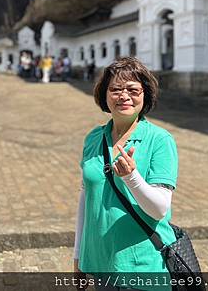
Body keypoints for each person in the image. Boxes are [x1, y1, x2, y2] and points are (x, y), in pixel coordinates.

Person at [74, 57, 178, 290]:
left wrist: (132, 178)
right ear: (105, 94)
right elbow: (85, 198)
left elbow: (160, 209)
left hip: (141, 264)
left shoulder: (159, 140)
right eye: (115, 89)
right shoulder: (93, 138)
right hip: (100, 261)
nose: (124, 96)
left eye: (133, 89)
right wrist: (79, 255)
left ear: (145, 95)